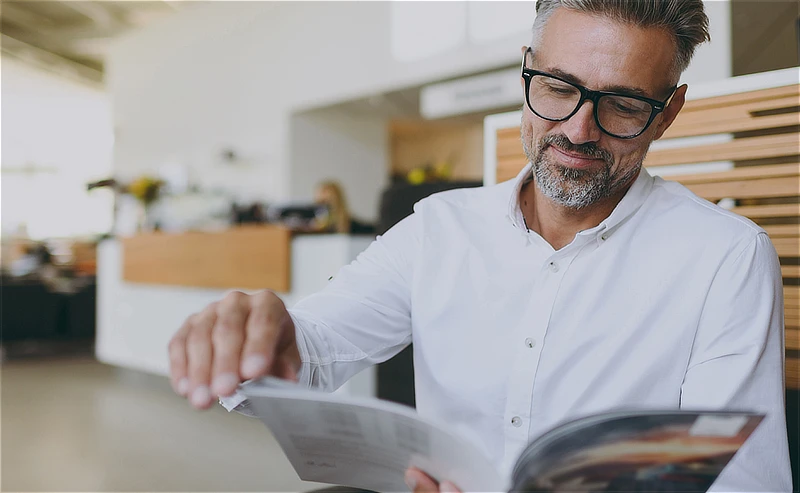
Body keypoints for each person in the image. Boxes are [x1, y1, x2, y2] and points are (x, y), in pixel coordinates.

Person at [168, 1, 792, 491]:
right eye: (557, 86)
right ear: (527, 67)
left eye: (624, 104)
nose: (578, 129)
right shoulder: (439, 228)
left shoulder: (726, 257)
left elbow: (743, 485)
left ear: (668, 112)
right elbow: (316, 353)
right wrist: (262, 342)